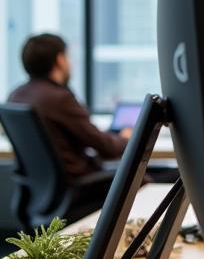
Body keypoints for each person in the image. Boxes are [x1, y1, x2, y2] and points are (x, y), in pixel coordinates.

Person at [7, 33, 130, 177]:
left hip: (44, 187)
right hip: (78, 185)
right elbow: (107, 148)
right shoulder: (59, 98)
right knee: (145, 179)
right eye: (68, 57)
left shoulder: (15, 95)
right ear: (60, 60)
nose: (70, 63)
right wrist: (126, 138)